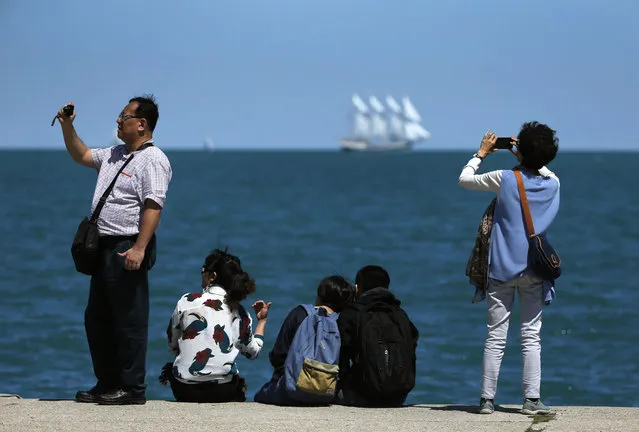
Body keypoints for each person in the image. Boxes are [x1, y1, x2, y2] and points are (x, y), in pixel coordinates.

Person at [57, 95, 172, 405]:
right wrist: (68, 126)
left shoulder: (154, 159)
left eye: (124, 116)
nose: (118, 121)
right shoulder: (114, 154)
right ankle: (107, 382)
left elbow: (153, 206)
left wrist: (139, 248)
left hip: (127, 245)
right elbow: (81, 154)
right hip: (103, 247)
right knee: (98, 319)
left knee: (129, 321)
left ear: (142, 123)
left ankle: (132, 388)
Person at [458, 123, 560, 415]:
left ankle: (487, 401)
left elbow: (465, 179)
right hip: (536, 270)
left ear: (520, 151)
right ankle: (531, 400)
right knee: (531, 336)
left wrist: (481, 153)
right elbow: (545, 170)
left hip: (501, 269)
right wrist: (526, 157)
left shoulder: (505, 179)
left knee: (495, 336)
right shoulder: (553, 184)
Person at [160, 248, 271, 402]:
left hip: (184, 390)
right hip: (222, 391)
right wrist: (262, 321)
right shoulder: (239, 312)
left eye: (203, 270)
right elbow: (252, 352)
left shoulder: (186, 301)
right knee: (236, 380)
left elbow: (172, 343)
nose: (201, 273)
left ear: (212, 276)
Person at [254, 275, 354, 405]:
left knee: (259, 395)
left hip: (291, 391)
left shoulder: (300, 313)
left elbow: (278, 356)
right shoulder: (342, 321)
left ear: (320, 295)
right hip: (327, 393)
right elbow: (344, 365)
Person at [335, 265, 419, 407]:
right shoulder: (400, 315)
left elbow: (341, 359)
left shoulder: (352, 314)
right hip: (398, 396)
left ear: (357, 288)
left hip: (363, 394)